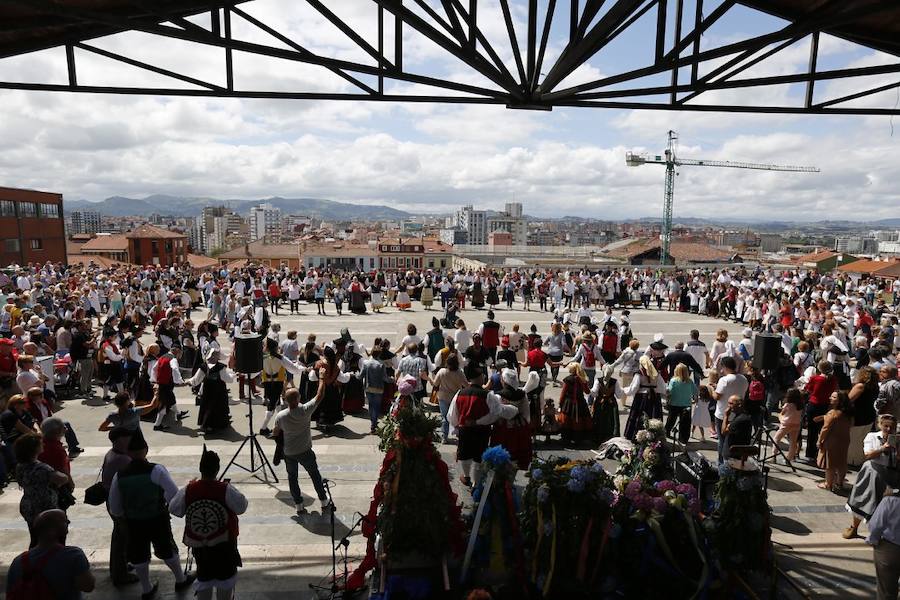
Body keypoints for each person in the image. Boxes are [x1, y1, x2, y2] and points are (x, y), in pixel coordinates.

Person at [108, 434, 194, 599]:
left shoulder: (119, 476)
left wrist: (126, 515)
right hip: (157, 518)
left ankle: (146, 589)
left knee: (139, 554)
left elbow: (115, 506)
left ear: (129, 452)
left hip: (133, 522)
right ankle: (180, 579)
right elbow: (173, 495)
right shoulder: (156, 470)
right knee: (167, 549)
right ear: (146, 450)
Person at [169, 447, 248, 600]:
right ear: (217, 469)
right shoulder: (225, 489)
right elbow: (241, 507)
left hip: (200, 545)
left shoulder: (189, 489)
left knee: (204, 575)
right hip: (224, 543)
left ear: (200, 469)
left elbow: (174, 509)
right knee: (225, 577)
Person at [447, 364, 518, 486]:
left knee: (465, 454)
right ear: (479, 378)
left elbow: (452, 414)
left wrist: (457, 426)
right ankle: (476, 482)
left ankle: (467, 476)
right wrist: (478, 422)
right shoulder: (488, 395)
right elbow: (494, 414)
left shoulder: (460, 393)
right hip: (482, 430)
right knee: (479, 456)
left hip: (465, 430)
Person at [5, 509, 95, 599]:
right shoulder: (74, 556)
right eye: (64, 521)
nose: (68, 522)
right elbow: (88, 586)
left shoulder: (18, 562)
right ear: (52, 531)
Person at [273, 385, 334, 515]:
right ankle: (323, 500)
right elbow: (319, 396)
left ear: (285, 400)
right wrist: (322, 379)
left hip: (289, 452)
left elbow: (275, 432)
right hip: (305, 450)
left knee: (292, 478)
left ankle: (299, 505)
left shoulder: (281, 416)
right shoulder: (305, 410)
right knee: (315, 475)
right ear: (299, 398)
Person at [844, 414, 900, 539]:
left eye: (892, 427)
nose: (889, 429)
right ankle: (854, 528)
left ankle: (880, 533)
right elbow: (867, 455)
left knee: (886, 505)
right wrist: (882, 449)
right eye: (886, 426)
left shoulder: (897, 439)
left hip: (891, 474)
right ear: (880, 425)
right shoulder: (872, 436)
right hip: (872, 472)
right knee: (862, 500)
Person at [14, 433, 70, 548]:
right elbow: (63, 479)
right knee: (53, 537)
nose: (43, 444)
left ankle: (33, 560)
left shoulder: (20, 466)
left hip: (28, 505)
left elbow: (20, 482)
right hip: (45, 505)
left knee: (35, 537)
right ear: (34, 449)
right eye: (40, 444)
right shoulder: (42, 468)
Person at [100, 427, 138, 586]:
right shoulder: (123, 460)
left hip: (112, 501)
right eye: (127, 437)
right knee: (122, 539)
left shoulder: (111, 453)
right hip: (120, 503)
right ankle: (120, 574)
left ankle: (119, 567)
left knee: (119, 537)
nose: (130, 440)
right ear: (119, 439)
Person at [489, 368, 536, 470]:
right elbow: (526, 414)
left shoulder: (498, 395)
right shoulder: (522, 394)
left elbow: (495, 414)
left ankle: (500, 479)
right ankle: (510, 479)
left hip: (503, 428)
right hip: (519, 427)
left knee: (501, 453)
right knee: (517, 456)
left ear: (504, 381)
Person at [712, 356, 749, 463]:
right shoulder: (743, 379)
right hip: (738, 415)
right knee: (734, 441)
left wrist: (712, 390)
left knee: (722, 441)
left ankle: (722, 463)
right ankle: (733, 462)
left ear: (725, 367)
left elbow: (717, 397)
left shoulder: (724, 380)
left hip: (723, 414)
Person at [190, 348, 235, 434]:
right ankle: (218, 424)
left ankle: (206, 425)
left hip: (207, 391)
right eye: (217, 355)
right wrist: (234, 376)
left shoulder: (203, 366)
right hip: (219, 391)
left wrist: (188, 382)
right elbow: (227, 379)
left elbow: (196, 380)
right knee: (219, 406)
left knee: (207, 406)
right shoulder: (220, 367)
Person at [816, 391, 853, 493]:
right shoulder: (848, 413)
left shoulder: (832, 413)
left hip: (832, 441)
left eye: (833, 397)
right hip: (845, 440)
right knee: (842, 462)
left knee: (830, 464)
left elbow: (825, 428)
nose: (830, 398)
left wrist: (820, 440)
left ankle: (828, 484)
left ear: (839, 400)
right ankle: (839, 483)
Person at [866, 491, 900, 600]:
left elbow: (876, 525)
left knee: (886, 592)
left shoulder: (890, 500)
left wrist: (873, 540)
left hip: (890, 548)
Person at [624, 355, 666, 441]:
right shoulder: (656, 373)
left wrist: (624, 390)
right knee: (654, 416)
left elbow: (634, 388)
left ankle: (637, 437)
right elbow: (662, 388)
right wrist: (654, 390)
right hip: (654, 398)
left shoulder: (639, 374)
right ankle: (655, 437)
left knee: (639, 416)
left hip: (641, 398)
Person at [804, 360, 838, 463]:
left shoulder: (815, 378)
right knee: (824, 430)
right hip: (826, 406)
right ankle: (824, 452)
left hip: (814, 405)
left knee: (812, 431)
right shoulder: (833, 379)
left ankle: (810, 454)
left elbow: (808, 389)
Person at [430, 354, 469, 443]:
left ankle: (444, 437)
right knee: (457, 417)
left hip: (443, 397)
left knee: (444, 417)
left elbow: (435, 384)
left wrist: (428, 379)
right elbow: (466, 385)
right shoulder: (460, 372)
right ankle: (459, 434)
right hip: (455, 398)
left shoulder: (442, 372)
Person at [848, 366, 880, 467]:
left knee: (854, 439)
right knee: (862, 439)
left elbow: (849, 400)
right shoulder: (875, 386)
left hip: (858, 415)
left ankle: (852, 461)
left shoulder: (860, 386)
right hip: (869, 414)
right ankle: (860, 459)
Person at [557, 362, 594, 445]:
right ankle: (578, 438)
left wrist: (560, 403)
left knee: (567, 420)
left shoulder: (568, 380)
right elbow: (587, 392)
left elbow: (563, 393)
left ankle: (567, 438)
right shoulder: (582, 379)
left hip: (569, 402)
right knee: (580, 420)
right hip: (580, 402)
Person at [590, 364, 623, 443]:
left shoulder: (598, 381)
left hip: (600, 402)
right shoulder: (615, 382)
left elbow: (594, 393)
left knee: (599, 419)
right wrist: (624, 390)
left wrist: (589, 390)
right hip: (611, 403)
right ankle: (611, 437)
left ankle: (598, 437)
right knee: (611, 421)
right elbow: (619, 395)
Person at [666, 363, 697, 445]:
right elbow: (695, 391)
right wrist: (695, 399)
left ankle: (667, 432)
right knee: (685, 423)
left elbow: (670, 391)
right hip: (686, 404)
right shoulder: (690, 381)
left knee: (671, 420)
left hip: (674, 403)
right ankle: (683, 439)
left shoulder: (673, 381)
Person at [773, 388, 804, 462]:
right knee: (793, 442)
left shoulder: (788, 404)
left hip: (786, 424)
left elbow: (782, 413)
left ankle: (773, 456)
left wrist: (780, 417)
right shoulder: (800, 405)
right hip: (796, 424)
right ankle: (789, 458)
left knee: (776, 439)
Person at [722, 394, 753, 460]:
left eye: (731, 403)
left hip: (733, 457)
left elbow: (724, 431)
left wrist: (726, 416)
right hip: (734, 455)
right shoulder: (741, 416)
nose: (728, 406)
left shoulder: (740, 419)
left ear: (739, 405)